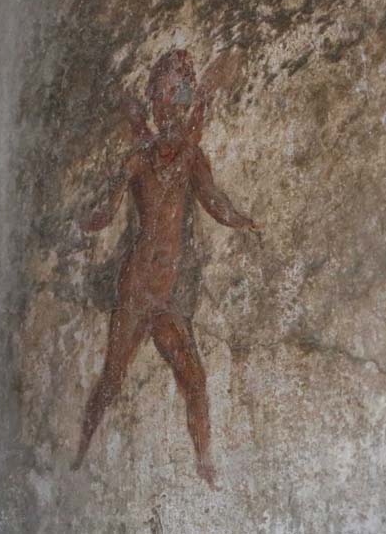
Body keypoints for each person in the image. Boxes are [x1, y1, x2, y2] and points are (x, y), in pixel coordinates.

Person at [72, 48, 257, 487]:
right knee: (113, 379)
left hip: (169, 294)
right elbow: (105, 211)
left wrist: (244, 221)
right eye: (168, 92)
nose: (175, 101)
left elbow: (213, 201)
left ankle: (205, 460)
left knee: (193, 376)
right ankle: (81, 450)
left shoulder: (192, 156)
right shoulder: (139, 157)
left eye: (183, 91)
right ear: (155, 100)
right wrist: (89, 216)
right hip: (137, 288)